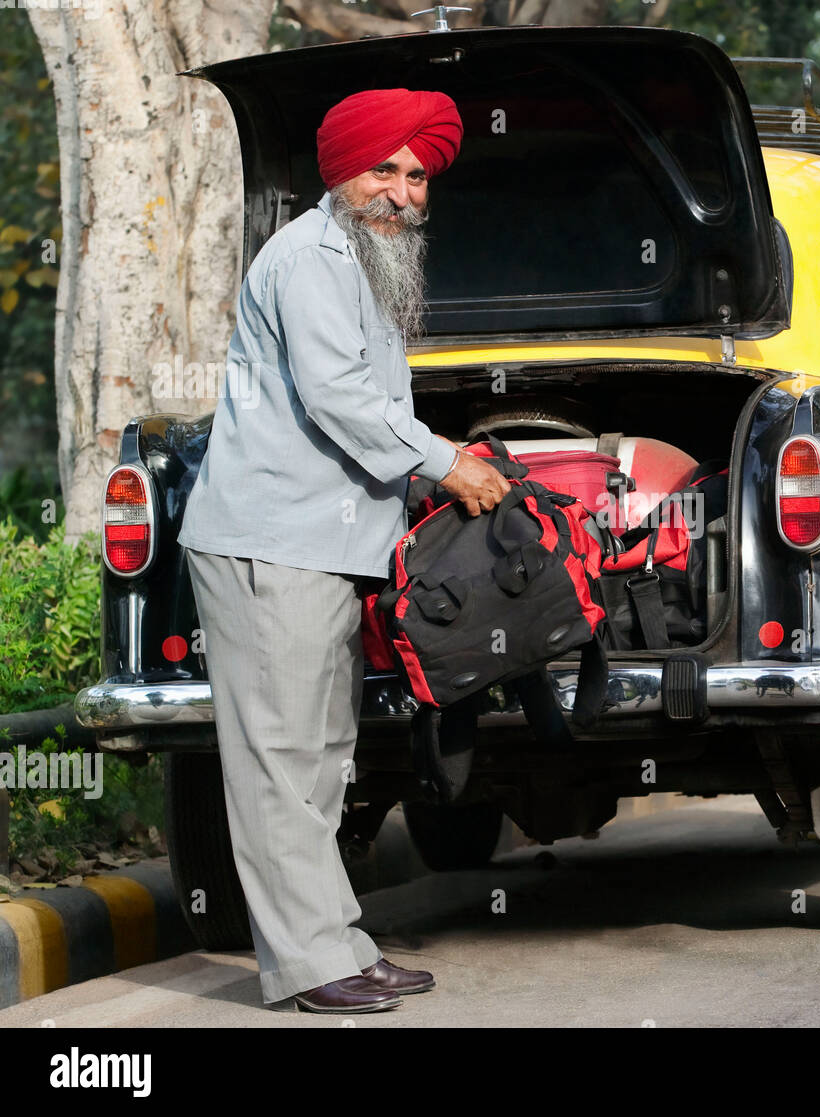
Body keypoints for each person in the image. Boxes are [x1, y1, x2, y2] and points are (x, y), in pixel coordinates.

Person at [176, 88, 512, 1014]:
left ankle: (340, 944)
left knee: (322, 760)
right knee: (281, 762)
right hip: (268, 542)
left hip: (322, 546)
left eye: (416, 176)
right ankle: (308, 966)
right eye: (384, 171)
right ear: (343, 171)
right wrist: (448, 465)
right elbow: (340, 400)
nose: (402, 193)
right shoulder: (311, 260)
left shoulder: (360, 262)